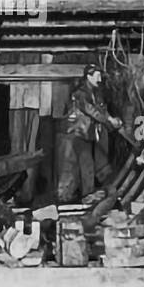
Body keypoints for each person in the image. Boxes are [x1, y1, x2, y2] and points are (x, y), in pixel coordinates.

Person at [57, 64, 122, 204]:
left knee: (85, 164)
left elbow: (101, 109)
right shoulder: (81, 93)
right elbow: (92, 111)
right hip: (77, 133)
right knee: (83, 165)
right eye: (97, 75)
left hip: (86, 134)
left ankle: (81, 194)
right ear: (89, 76)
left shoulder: (95, 93)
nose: (99, 79)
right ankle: (85, 195)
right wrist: (109, 123)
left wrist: (112, 119)